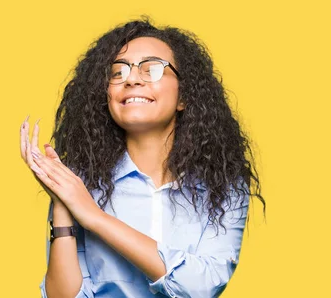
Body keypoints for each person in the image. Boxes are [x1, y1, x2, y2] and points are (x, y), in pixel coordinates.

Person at [19, 17, 265, 298]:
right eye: (118, 72)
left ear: (184, 96)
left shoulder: (223, 186)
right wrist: (63, 204)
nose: (133, 79)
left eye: (152, 69)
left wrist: (95, 218)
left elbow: (201, 288)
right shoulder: (79, 184)